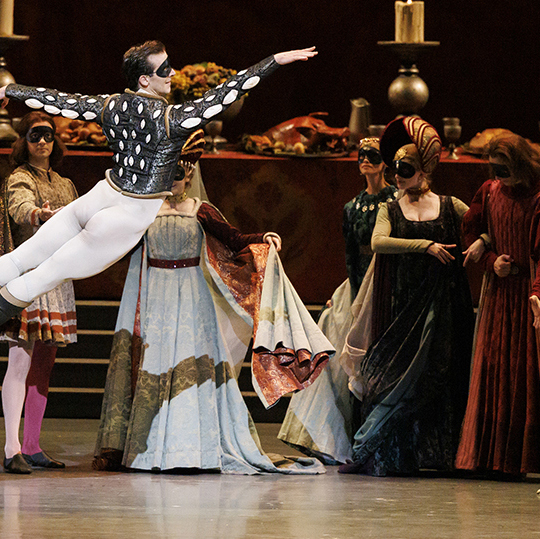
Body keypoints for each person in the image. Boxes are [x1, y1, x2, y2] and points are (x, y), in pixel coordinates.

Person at [0, 41, 317, 358]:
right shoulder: (174, 119)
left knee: (24, 259)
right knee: (42, 274)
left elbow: (62, 102)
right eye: (165, 70)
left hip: (100, 195)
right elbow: (228, 91)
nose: (173, 74)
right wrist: (275, 61)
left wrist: (13, 90)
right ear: (146, 80)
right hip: (125, 215)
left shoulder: (113, 104)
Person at [93, 131, 324, 473]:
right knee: (154, 363)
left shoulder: (201, 211)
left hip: (191, 296)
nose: (174, 177)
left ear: (189, 175)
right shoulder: (144, 210)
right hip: (155, 295)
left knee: (192, 365)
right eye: (168, 170)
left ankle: (193, 448)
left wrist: (263, 238)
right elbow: (114, 239)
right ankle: (150, 448)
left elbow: (234, 240)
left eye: (180, 171)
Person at [340, 117, 474, 476]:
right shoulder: (390, 208)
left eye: (405, 168)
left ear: (425, 170)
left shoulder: (450, 205)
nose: (397, 175)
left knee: (441, 375)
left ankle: (442, 456)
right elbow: (377, 243)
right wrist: (426, 245)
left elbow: (482, 225)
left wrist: (485, 245)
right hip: (400, 306)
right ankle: (393, 454)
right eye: (396, 168)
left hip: (442, 305)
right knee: (397, 375)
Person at [277, 137, 397, 464]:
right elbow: (349, 254)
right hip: (358, 284)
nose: (365, 161)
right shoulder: (352, 207)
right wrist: (354, 293)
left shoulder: (395, 202)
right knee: (337, 345)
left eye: (372, 156)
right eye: (361, 155)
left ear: (385, 162)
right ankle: (338, 435)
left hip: (386, 281)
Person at [455, 133, 540, 483]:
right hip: (498, 296)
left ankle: (527, 458)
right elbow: (471, 230)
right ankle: (493, 459)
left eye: (505, 171)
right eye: (495, 171)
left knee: (528, 376)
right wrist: (488, 260)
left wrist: (538, 294)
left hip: (530, 295)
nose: (500, 178)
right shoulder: (490, 191)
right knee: (495, 371)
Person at [0, 112, 78, 474]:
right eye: (34, 135)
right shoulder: (19, 178)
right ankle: (12, 449)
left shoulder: (66, 184)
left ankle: (32, 444)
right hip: (28, 278)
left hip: (56, 279)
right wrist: (38, 214)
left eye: (47, 135)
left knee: (44, 364)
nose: (42, 142)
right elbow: (19, 207)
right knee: (20, 361)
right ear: (23, 141)